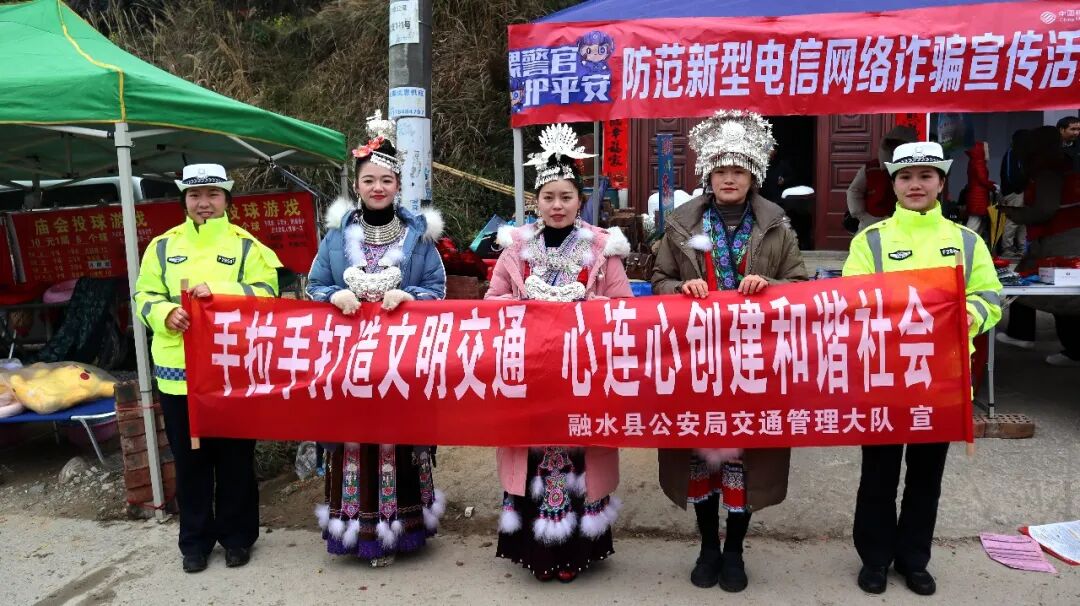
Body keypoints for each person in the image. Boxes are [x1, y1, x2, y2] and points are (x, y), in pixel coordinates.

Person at [651, 110, 808, 593]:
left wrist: (771, 286)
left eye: (738, 170)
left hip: (755, 360)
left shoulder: (777, 225)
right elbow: (658, 280)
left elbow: (801, 285)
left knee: (744, 456)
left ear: (753, 175)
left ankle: (735, 549)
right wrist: (681, 288)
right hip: (695, 360)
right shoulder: (681, 225)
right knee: (699, 453)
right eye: (721, 170)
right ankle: (707, 546)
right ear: (708, 174)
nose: (729, 179)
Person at [843, 141, 1002, 596]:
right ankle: (875, 559)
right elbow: (852, 300)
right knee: (878, 475)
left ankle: (914, 560)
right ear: (894, 184)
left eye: (925, 176)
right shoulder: (871, 241)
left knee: (926, 477)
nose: (916, 185)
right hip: (884, 377)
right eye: (906, 177)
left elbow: (990, 296)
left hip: (943, 381)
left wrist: (967, 316)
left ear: (941, 183)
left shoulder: (966, 241)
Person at [487, 123, 632, 583]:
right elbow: (492, 303)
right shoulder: (516, 247)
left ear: (579, 200)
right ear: (536, 201)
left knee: (580, 454)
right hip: (529, 372)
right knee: (532, 455)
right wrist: (524, 307)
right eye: (548, 197)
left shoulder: (601, 247)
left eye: (566, 197)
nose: (557, 205)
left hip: (583, 371)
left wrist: (588, 306)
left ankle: (577, 552)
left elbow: (624, 308)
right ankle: (535, 552)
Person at [307, 110, 447, 566]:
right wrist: (335, 295)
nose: (378, 187)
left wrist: (410, 296)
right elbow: (314, 284)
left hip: (401, 360)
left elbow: (437, 288)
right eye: (369, 180)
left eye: (386, 180)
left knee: (397, 439)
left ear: (398, 184)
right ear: (357, 185)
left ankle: (402, 531)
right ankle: (356, 532)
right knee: (354, 440)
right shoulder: (336, 236)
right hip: (348, 358)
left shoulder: (417, 236)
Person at [133, 163, 283, 573]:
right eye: (195, 195)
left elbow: (267, 293)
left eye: (213, 194)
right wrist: (165, 313)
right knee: (190, 461)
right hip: (178, 373)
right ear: (184, 199)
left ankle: (237, 538)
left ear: (226, 199)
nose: (204, 203)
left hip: (232, 371)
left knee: (235, 460)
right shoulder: (162, 246)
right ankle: (195, 543)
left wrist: (219, 292)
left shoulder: (246, 246)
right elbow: (143, 294)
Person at [997, 126, 1080, 367]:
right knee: (1027, 279)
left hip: (1062, 238)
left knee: (1063, 292)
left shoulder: (1049, 171)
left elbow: (1045, 209)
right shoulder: (1062, 165)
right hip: (1057, 237)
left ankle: (1073, 350)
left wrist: (1016, 214)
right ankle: (1021, 333)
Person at [847, 126, 918, 232]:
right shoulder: (871, 168)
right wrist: (860, 214)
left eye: (901, 145)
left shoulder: (917, 169)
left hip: (904, 222)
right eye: (893, 144)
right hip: (872, 221)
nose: (895, 148)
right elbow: (854, 190)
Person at [998, 129, 1030, 258]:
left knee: (1022, 222)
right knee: (1013, 222)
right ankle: (1007, 249)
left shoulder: (1019, 153)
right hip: (1014, 192)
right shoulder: (1013, 153)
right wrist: (1018, 188)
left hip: (1019, 191)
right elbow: (1010, 175)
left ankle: (1022, 248)